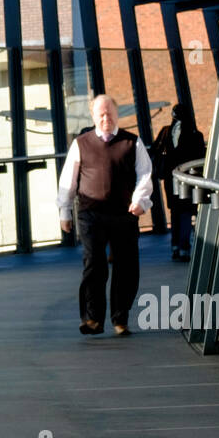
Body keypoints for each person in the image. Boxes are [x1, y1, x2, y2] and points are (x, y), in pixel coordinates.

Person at [56, 94, 154, 336]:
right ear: (93, 117)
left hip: (124, 213)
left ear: (117, 114)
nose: (105, 118)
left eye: (109, 113)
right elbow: (68, 180)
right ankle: (92, 319)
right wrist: (64, 211)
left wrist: (140, 200)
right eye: (100, 114)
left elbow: (145, 174)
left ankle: (120, 319)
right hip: (91, 214)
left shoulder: (133, 143)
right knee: (94, 265)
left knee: (126, 267)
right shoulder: (81, 143)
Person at [150, 104, 207, 261]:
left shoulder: (165, 132)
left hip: (170, 178)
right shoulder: (196, 135)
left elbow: (154, 150)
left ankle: (175, 246)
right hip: (188, 179)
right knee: (186, 212)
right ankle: (184, 248)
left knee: (175, 212)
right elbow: (200, 157)